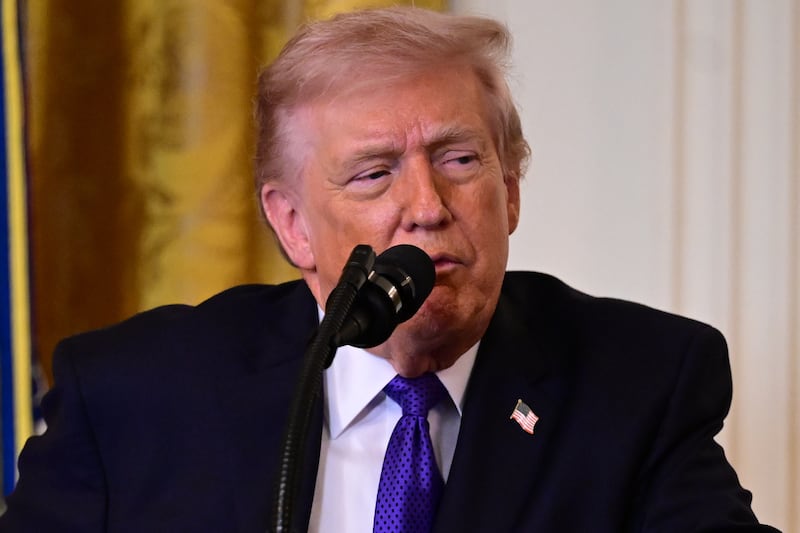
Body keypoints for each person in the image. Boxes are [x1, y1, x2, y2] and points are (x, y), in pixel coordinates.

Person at [0, 7, 780, 533]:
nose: (427, 206)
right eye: (374, 173)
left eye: (461, 159)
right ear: (293, 224)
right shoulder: (134, 398)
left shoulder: (634, 384)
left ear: (509, 191)